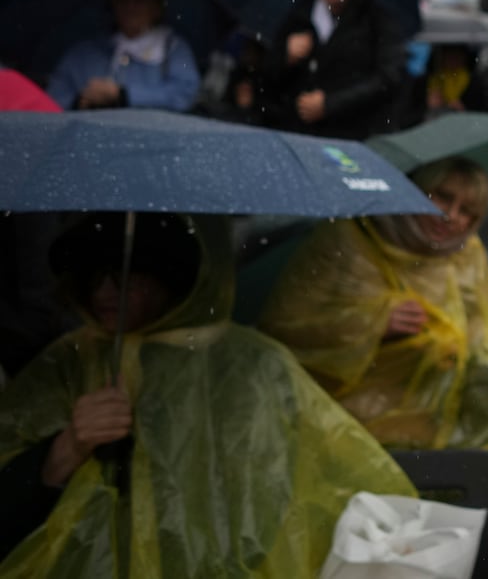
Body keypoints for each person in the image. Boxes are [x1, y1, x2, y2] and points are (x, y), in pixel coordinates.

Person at [0, 212, 414, 575]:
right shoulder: (69, 361)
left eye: (130, 275)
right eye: (95, 276)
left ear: (176, 277)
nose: (108, 291)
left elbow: (304, 488)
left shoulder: (251, 363)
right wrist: (68, 448)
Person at [258, 156, 488, 481]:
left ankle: (474, 481)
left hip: (440, 389)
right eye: (441, 196)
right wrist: (373, 323)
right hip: (356, 396)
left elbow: (484, 316)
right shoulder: (347, 240)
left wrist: (460, 346)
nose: (450, 216)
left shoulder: (464, 249)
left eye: (467, 211)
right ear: (414, 189)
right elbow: (285, 328)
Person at [260, 0, 409, 140]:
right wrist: (285, 57)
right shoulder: (299, 19)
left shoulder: (377, 22)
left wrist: (330, 104)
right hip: (303, 135)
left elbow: (388, 78)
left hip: (358, 134)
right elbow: (268, 80)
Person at [45, 0, 200, 113]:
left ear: (156, 8)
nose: (130, 7)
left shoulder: (173, 48)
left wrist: (122, 95)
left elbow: (185, 94)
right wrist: (80, 101)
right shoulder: (83, 52)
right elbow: (54, 98)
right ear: (112, 6)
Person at [422, 44, 488, 115]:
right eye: (450, 56)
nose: (453, 60)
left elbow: (484, 105)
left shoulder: (475, 81)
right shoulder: (434, 79)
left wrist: (464, 107)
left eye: (457, 56)